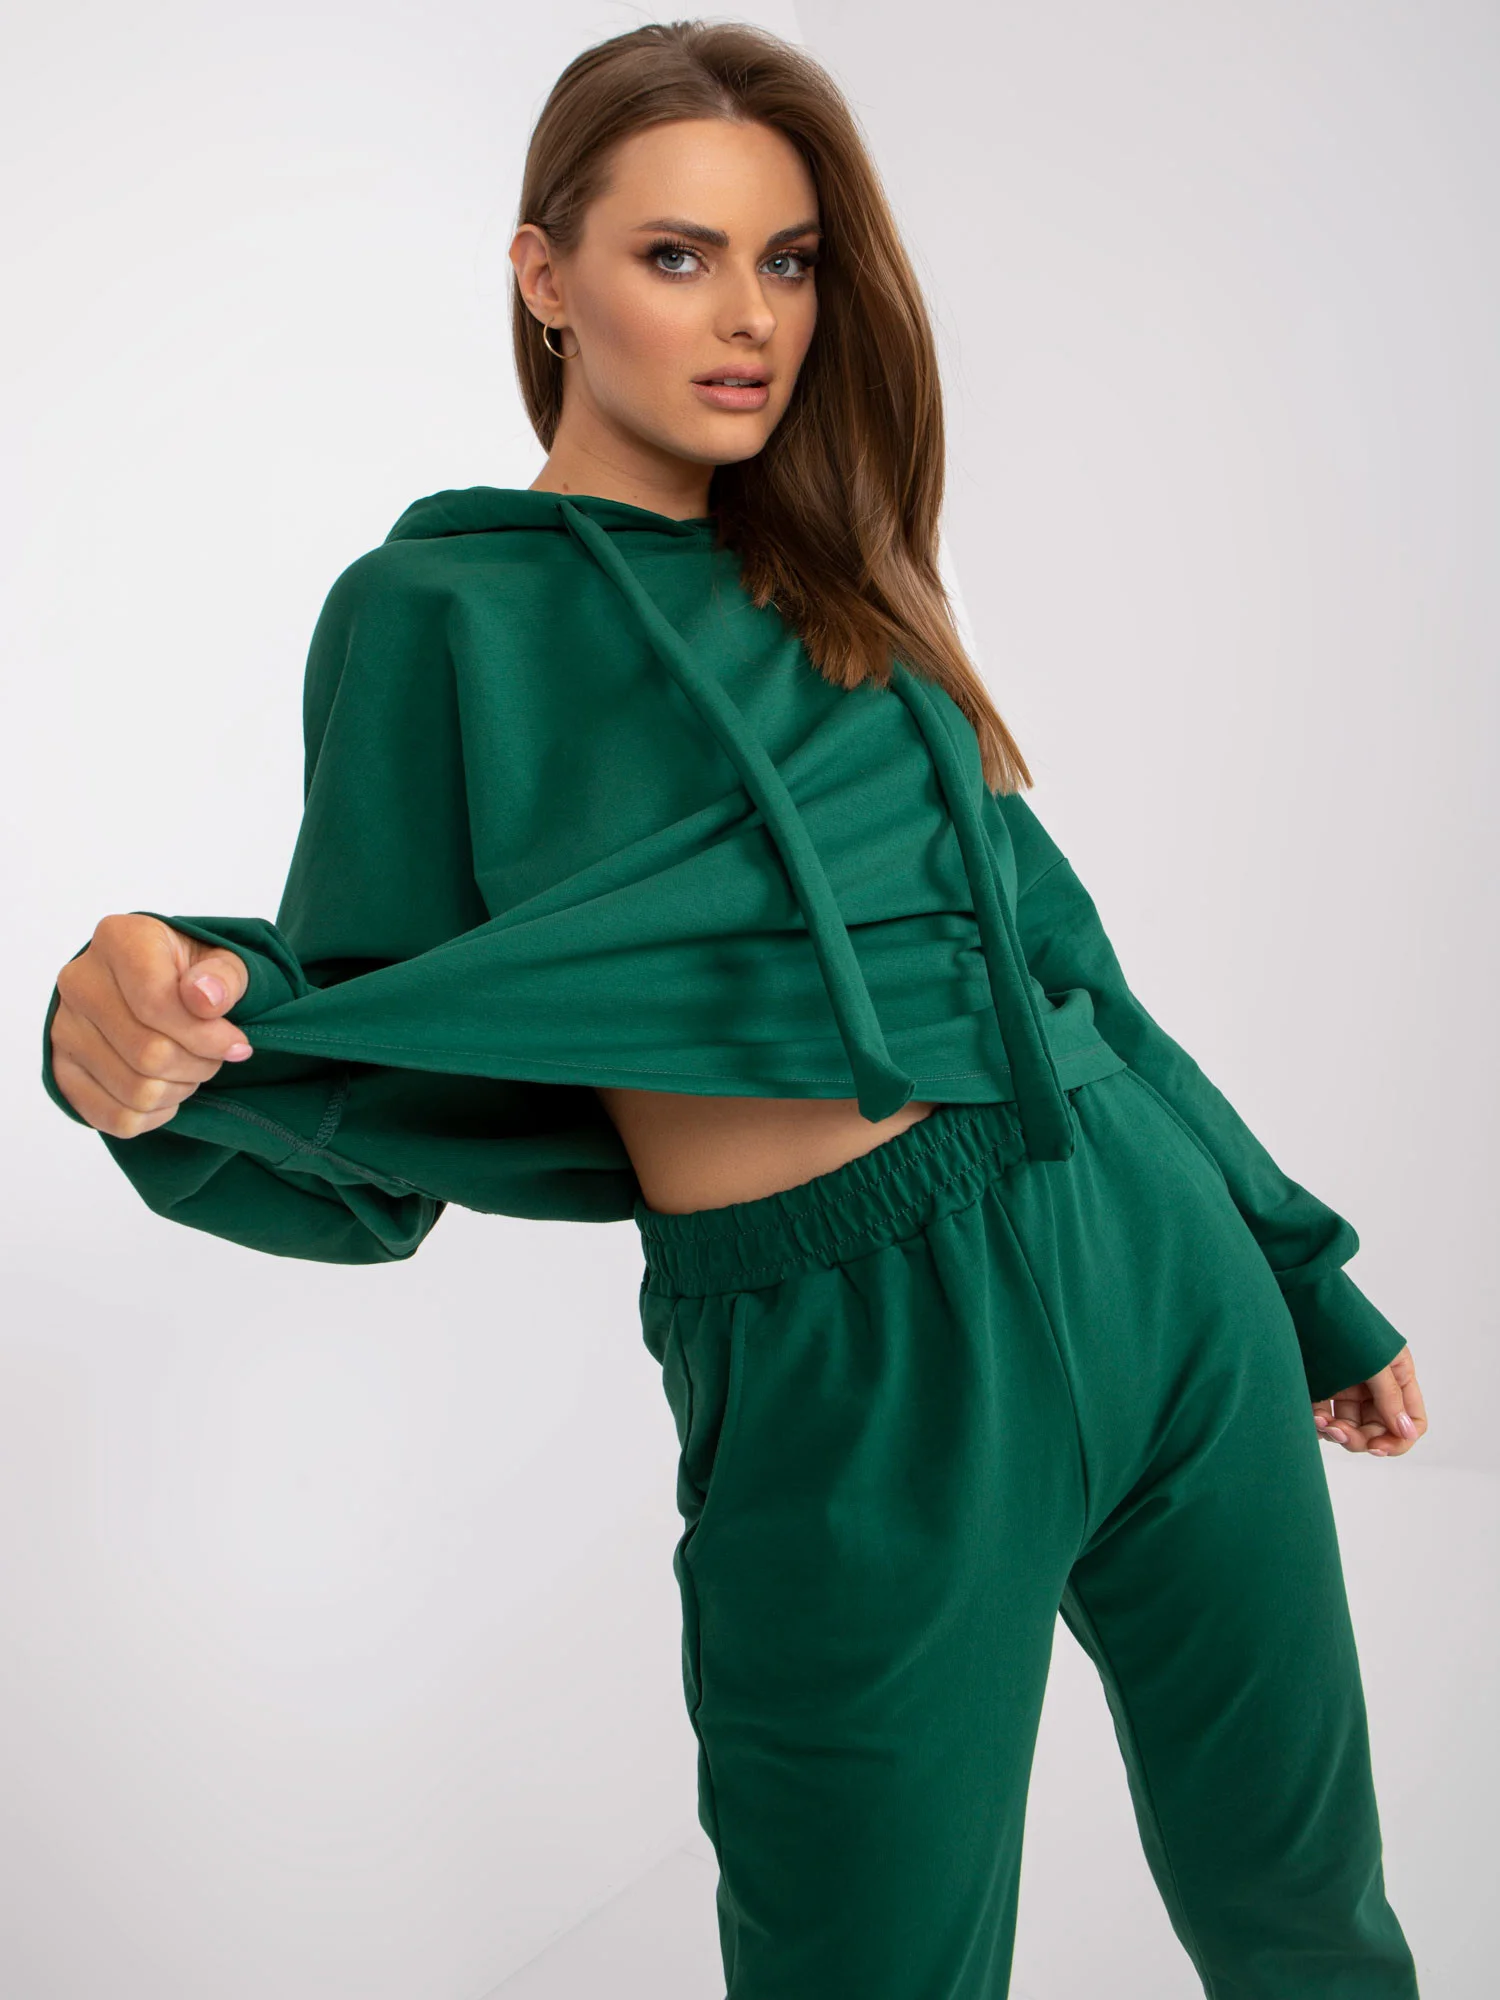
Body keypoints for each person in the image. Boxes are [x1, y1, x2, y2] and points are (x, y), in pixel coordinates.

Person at [40, 19, 1425, 1998]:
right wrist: (154, 1024)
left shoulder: (849, 588)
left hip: (1149, 1258)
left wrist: (1303, 1274)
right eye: (678, 255)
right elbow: (368, 1031)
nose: (751, 315)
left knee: (1310, 1912)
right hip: (842, 1355)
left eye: (788, 260)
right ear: (544, 276)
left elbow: (1073, 973)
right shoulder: (436, 617)